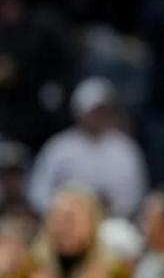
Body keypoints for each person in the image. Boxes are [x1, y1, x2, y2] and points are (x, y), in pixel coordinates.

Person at [27, 76, 148, 218]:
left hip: (113, 220)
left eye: (102, 111)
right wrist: (69, 208)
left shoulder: (125, 148)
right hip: (65, 220)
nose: (97, 116)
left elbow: (137, 194)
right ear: (79, 111)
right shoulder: (59, 148)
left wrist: (111, 206)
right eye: (93, 111)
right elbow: (39, 192)